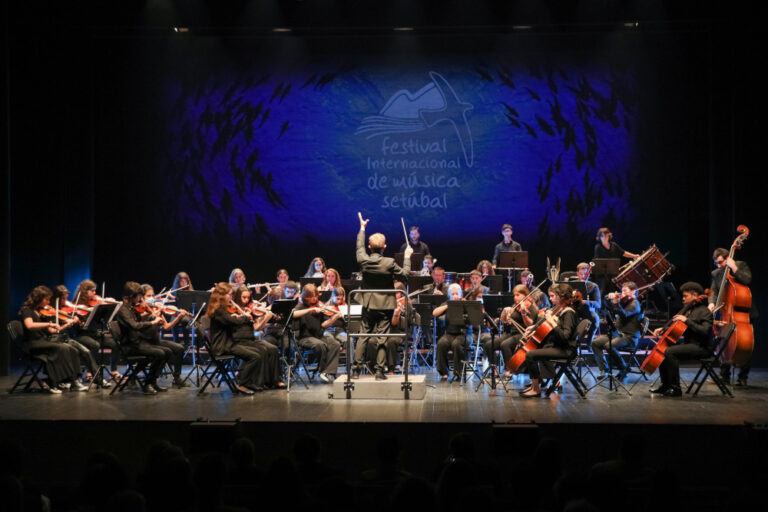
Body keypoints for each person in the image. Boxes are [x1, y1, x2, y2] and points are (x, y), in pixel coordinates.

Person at [354, 213, 413, 380]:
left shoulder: (363, 259)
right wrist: (407, 256)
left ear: (369, 247)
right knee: (382, 337)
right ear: (385, 247)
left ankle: (356, 370)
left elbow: (359, 246)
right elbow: (406, 275)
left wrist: (362, 228)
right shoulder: (389, 262)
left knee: (363, 336)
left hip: (368, 303)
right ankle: (380, 371)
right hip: (386, 305)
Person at [18, 285, 85, 393]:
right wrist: (48, 323)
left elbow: (53, 331)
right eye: (47, 299)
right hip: (32, 343)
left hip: (43, 341)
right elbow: (29, 325)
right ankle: (54, 382)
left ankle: (73, 380)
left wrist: (66, 325)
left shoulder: (39, 311)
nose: (49, 302)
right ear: (38, 298)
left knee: (71, 349)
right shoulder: (27, 311)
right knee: (61, 348)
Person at [205, 282, 270, 394]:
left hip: (228, 343)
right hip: (223, 346)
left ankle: (249, 382)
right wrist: (244, 317)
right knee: (255, 356)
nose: (231, 297)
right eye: (229, 295)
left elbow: (229, 321)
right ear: (222, 296)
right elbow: (234, 322)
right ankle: (242, 384)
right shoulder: (219, 310)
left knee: (258, 353)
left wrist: (236, 316)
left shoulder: (221, 310)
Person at [651, 282, 713, 397]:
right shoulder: (689, 310)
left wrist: (687, 320)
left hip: (702, 347)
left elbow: (704, 331)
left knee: (669, 352)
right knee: (664, 349)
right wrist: (663, 328)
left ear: (695, 295)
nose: (683, 299)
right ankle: (665, 385)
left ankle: (676, 388)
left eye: (686, 296)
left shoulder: (704, 311)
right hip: (691, 344)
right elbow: (677, 326)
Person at [519, 283, 578, 398]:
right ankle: (539, 383)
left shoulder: (569, 312)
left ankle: (536, 389)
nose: (550, 299)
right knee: (538, 347)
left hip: (566, 350)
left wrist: (551, 321)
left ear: (560, 296)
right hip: (559, 346)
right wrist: (534, 328)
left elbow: (565, 336)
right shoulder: (561, 309)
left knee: (531, 355)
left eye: (552, 296)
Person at [709, 247, 757, 386]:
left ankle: (742, 378)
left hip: (744, 312)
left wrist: (734, 267)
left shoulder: (740, 265)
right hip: (726, 313)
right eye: (716, 263)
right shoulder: (717, 273)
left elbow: (747, 280)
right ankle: (724, 376)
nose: (719, 266)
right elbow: (713, 291)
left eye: (721, 262)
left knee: (743, 344)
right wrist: (712, 303)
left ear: (728, 258)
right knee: (724, 342)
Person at [114, 281, 169, 394]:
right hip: (130, 345)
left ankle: (152, 382)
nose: (140, 298)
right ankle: (148, 384)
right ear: (131, 296)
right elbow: (135, 326)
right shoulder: (124, 311)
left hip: (138, 342)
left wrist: (150, 314)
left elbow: (140, 322)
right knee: (160, 353)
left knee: (167, 352)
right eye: (139, 295)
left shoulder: (132, 308)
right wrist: (153, 322)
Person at [230, 285, 285, 389]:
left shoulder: (250, 309)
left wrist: (265, 318)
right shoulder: (233, 309)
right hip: (239, 340)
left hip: (251, 339)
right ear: (238, 297)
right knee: (263, 350)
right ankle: (259, 381)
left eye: (248, 298)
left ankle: (276, 380)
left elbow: (256, 328)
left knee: (273, 349)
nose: (246, 300)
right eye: (243, 297)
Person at [50, 285, 103, 387]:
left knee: (87, 352)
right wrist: (68, 323)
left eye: (66, 298)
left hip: (65, 338)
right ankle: (74, 380)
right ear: (56, 298)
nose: (66, 301)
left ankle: (98, 379)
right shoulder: (52, 311)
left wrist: (74, 319)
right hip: (56, 340)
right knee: (75, 351)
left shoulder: (66, 308)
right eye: (63, 299)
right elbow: (54, 330)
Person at [591, 281, 643, 379]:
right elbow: (609, 308)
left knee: (609, 346)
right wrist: (609, 298)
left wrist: (616, 303)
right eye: (621, 290)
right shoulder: (624, 302)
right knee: (595, 343)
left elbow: (624, 314)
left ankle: (623, 368)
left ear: (633, 292)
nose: (621, 293)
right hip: (618, 335)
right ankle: (604, 369)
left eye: (625, 291)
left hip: (629, 337)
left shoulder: (635, 304)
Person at [484, 285, 538, 377]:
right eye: (514, 295)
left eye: (518, 295)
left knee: (505, 345)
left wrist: (524, 314)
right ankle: (494, 370)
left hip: (523, 334)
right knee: (489, 344)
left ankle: (509, 370)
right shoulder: (515, 306)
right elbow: (504, 321)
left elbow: (529, 325)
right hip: (510, 333)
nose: (515, 297)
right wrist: (504, 312)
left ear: (525, 295)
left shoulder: (531, 308)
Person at [141, 284, 189, 388]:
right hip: (145, 341)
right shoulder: (141, 311)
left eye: (152, 295)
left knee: (180, 348)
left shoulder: (156, 308)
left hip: (156, 340)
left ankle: (177, 378)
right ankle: (154, 378)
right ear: (142, 297)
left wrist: (179, 317)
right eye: (148, 296)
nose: (152, 298)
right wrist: (155, 314)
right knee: (166, 351)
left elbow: (167, 327)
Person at [73, 279, 121, 381]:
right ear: (85, 291)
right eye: (93, 291)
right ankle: (90, 372)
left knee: (116, 344)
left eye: (95, 291)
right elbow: (77, 326)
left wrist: (108, 302)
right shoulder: (77, 304)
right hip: (83, 335)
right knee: (94, 345)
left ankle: (114, 370)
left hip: (95, 333)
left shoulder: (95, 302)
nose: (95, 293)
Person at [293, 284, 341, 382]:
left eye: (316, 296)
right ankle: (321, 370)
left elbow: (323, 325)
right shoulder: (300, 306)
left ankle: (328, 372)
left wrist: (333, 318)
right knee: (320, 345)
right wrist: (310, 310)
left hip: (318, 336)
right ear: (306, 297)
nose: (315, 298)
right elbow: (293, 314)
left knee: (335, 344)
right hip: (304, 338)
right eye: (312, 296)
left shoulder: (319, 306)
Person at [433, 283, 467, 380]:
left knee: (457, 344)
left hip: (463, 334)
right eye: (453, 294)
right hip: (449, 333)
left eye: (457, 293)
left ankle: (458, 372)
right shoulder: (447, 303)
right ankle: (443, 372)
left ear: (460, 294)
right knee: (441, 343)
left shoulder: (464, 303)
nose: (455, 296)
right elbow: (434, 313)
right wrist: (448, 306)